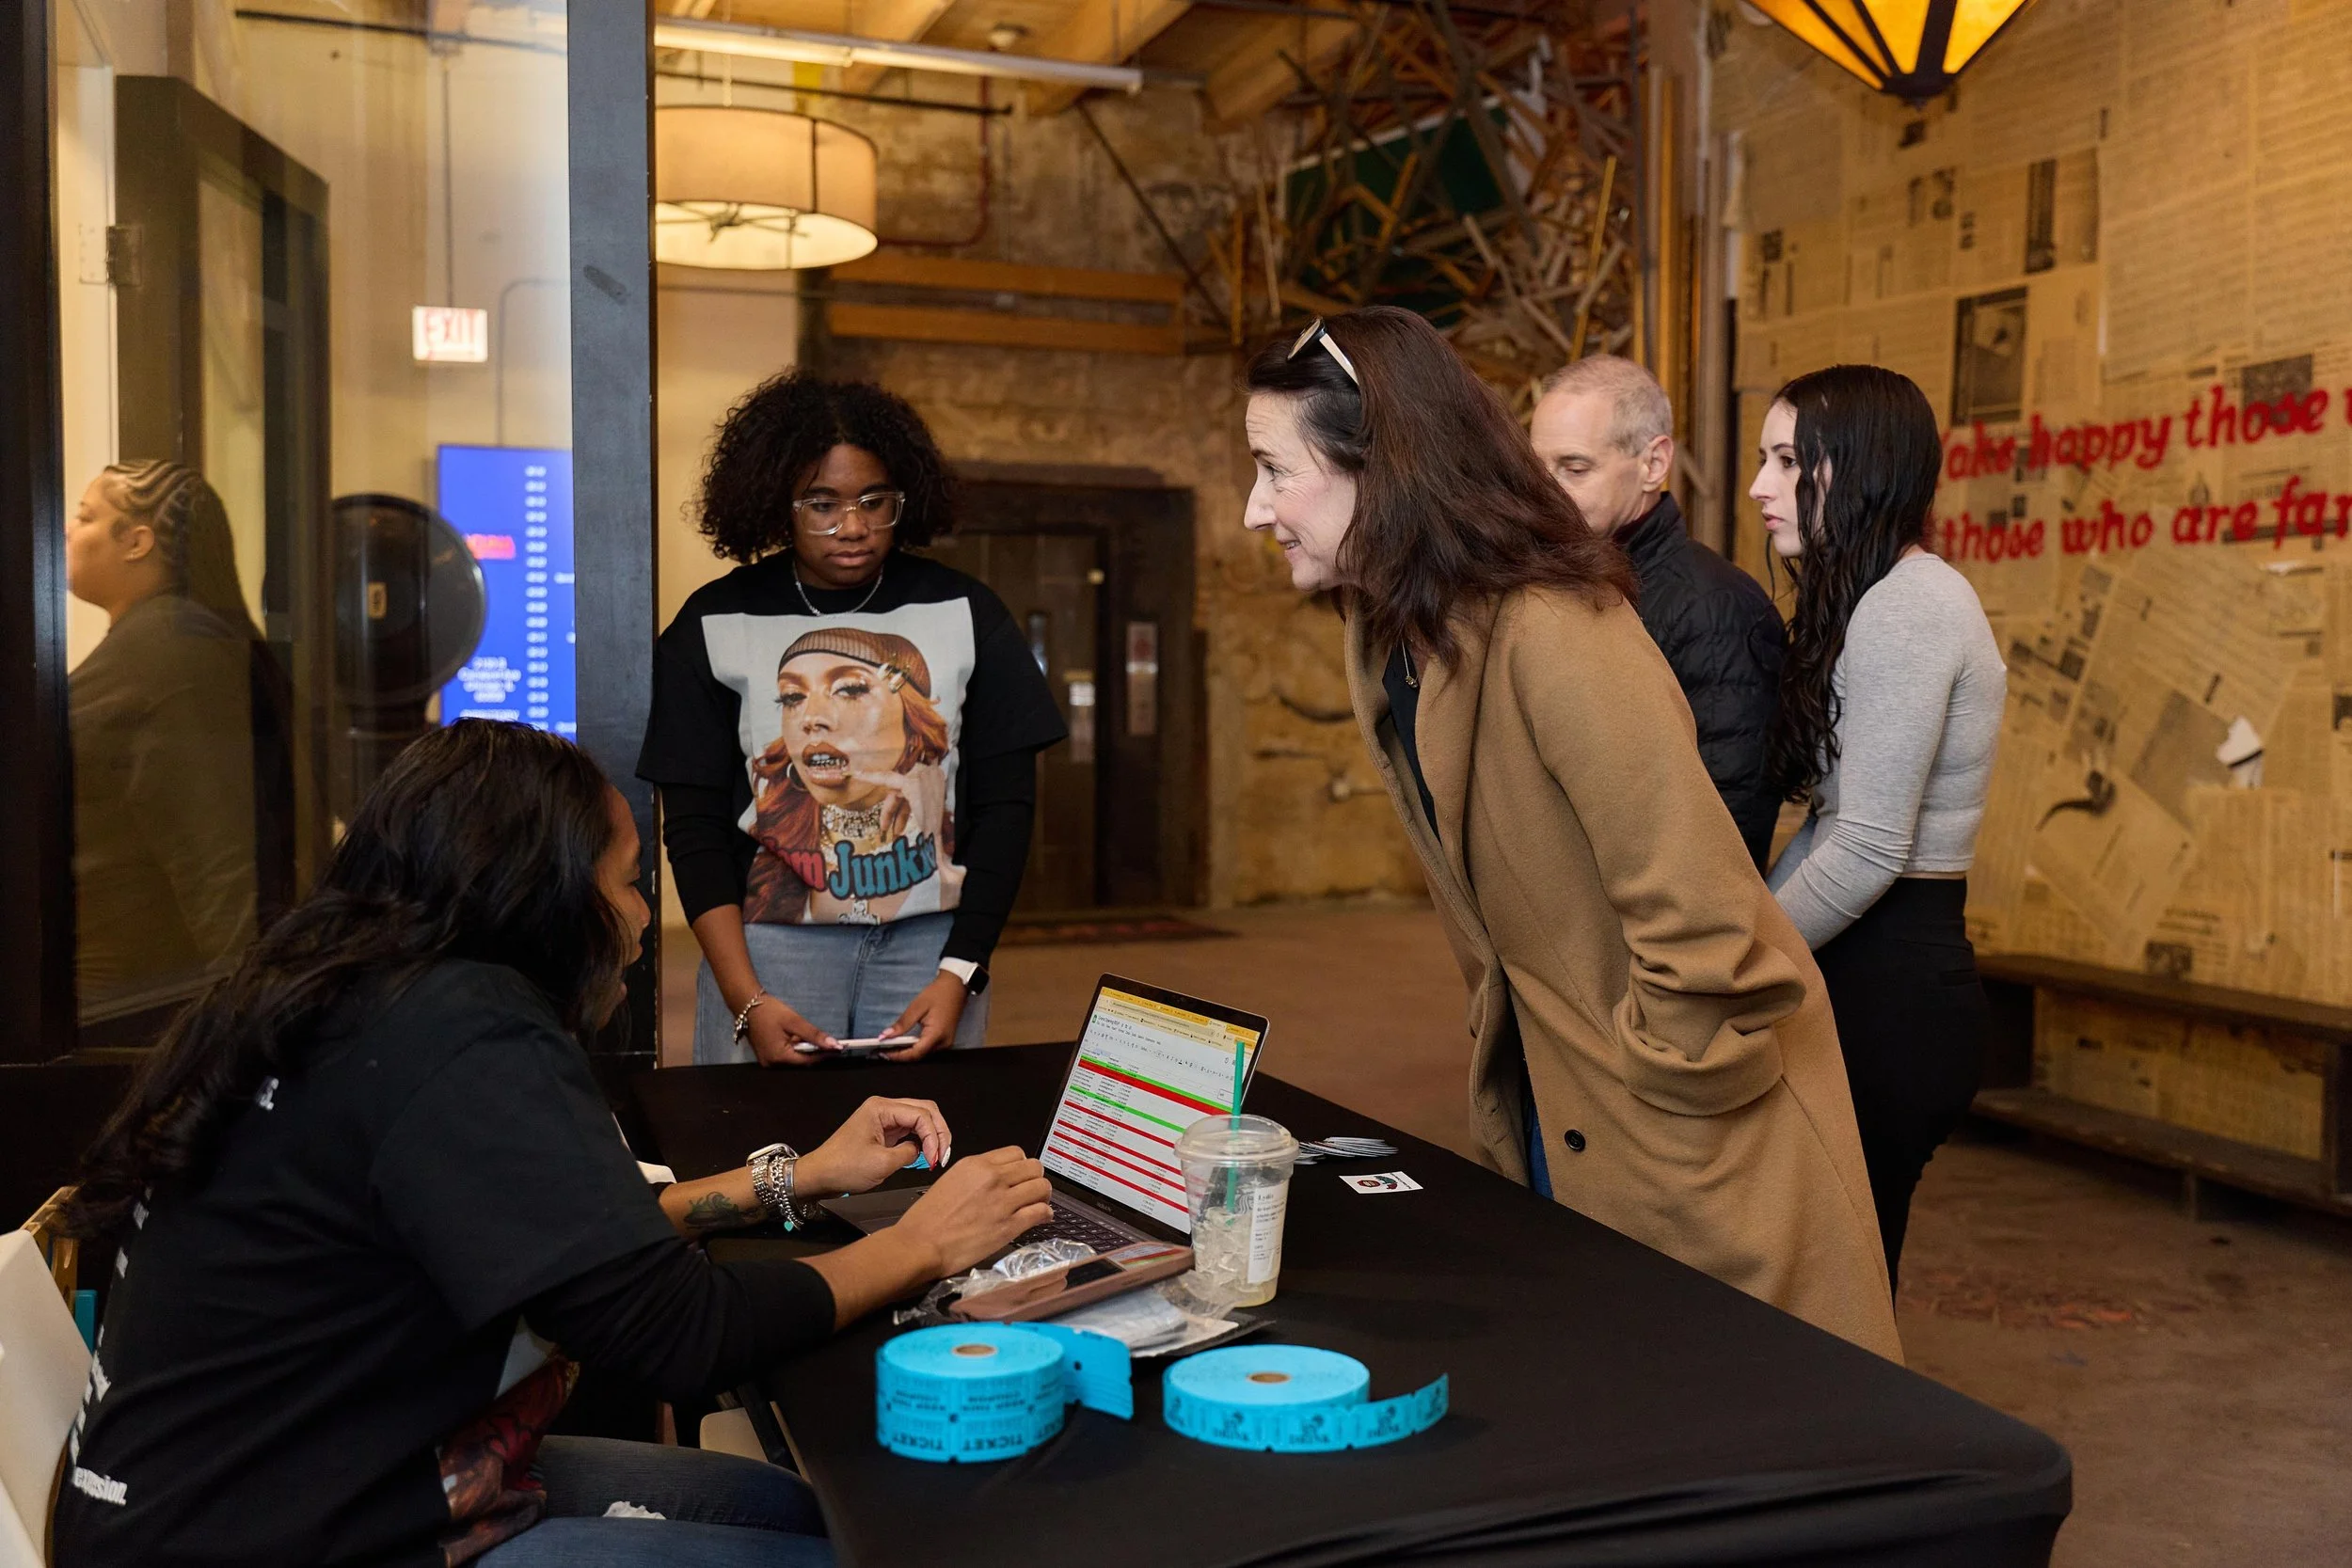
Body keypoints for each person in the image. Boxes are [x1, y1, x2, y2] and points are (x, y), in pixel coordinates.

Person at [54, 721, 1056, 1568]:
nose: (635, 922)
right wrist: (923, 1242)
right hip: (264, 1540)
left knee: (785, 1510)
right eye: (625, 884)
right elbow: (675, 1332)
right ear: (539, 895)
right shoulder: (461, 1029)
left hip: (201, 1505)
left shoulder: (348, 989)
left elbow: (558, 1233)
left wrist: (795, 1178)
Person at [1243, 309, 1899, 1361]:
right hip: (1555, 1093)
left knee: (1739, 1413)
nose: (1253, 508)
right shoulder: (1392, 640)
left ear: (1385, 466)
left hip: (1671, 1121)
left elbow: (1702, 913)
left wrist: (1658, 1096)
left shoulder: (1553, 625)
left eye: (1274, 470)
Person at [640, 372, 1064, 1067]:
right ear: (778, 502)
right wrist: (746, 997)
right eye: (822, 503)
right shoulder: (715, 621)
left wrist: (962, 970)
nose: (854, 526)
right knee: (765, 1151)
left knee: (921, 1151)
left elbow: (1007, 808)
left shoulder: (965, 612)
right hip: (769, 947)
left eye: (875, 500)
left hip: (932, 948)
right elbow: (693, 828)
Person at [1752, 364, 2006, 1283]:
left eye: (1788, 460)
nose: (1759, 486)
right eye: (1763, 458)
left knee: (1839, 1290)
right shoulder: (1870, 597)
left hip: (1890, 984)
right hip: (1859, 969)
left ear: (1856, 467)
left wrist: (1733, 964)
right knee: (1822, 1285)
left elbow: (1864, 846)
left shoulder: (1911, 605)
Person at [1530, 357, 1785, 867]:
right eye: (1538, 470)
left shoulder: (1714, 608)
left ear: (1653, 464)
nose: (1545, 494)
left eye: (1575, 469)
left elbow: (1725, 827)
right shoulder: (1563, 583)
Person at [65, 461, 296, 1021]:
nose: (69, 532)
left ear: (137, 542)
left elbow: (216, 857)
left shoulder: (171, 651)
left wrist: (241, 1030)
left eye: (86, 517)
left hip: (129, 1005)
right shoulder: (166, 643)